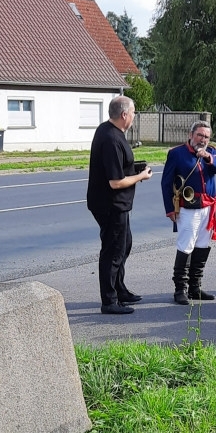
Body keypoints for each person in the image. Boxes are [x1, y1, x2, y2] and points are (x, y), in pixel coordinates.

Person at [86, 96, 152, 315]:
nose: (134, 116)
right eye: (133, 112)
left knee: (125, 245)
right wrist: (141, 176)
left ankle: (119, 289)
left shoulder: (107, 130)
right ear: (124, 115)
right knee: (113, 250)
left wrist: (133, 169)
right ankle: (109, 300)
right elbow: (115, 182)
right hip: (110, 204)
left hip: (115, 204)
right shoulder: (111, 139)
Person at [161, 121, 216, 304]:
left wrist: (207, 158)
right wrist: (169, 209)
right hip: (188, 208)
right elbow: (166, 183)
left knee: (202, 245)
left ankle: (195, 288)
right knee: (185, 246)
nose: (203, 139)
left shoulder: (211, 152)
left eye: (206, 136)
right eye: (199, 135)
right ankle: (180, 289)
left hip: (208, 207)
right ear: (191, 135)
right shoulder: (176, 153)